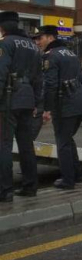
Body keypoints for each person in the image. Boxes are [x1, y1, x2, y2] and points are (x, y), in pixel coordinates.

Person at [35, 25, 82, 190]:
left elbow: (50, 84)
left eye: (41, 38)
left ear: (50, 38)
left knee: (63, 143)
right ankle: (77, 175)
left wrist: (46, 109)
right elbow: (81, 79)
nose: (38, 42)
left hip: (65, 105)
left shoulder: (50, 56)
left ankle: (68, 180)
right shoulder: (71, 53)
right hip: (80, 102)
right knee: (68, 140)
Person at [0, 11, 43, 201]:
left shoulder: (5, 43)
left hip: (9, 99)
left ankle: (5, 191)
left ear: (3, 27)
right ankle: (30, 186)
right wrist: (36, 102)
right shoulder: (33, 46)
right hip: (27, 99)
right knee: (26, 145)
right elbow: (38, 78)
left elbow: (1, 73)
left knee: (4, 145)